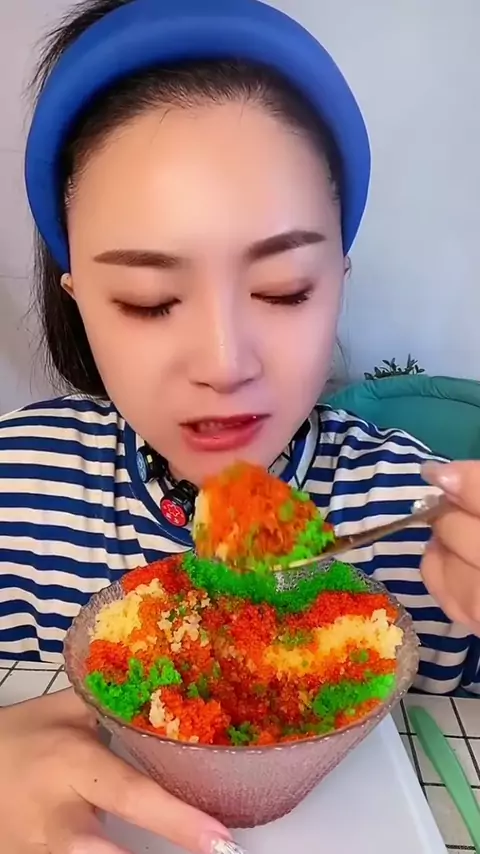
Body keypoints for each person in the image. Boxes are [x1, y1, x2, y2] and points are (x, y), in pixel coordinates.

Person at [0, 0, 479, 851]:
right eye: (149, 301)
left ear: (339, 280)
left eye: (284, 290)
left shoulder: (418, 520)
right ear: (80, 302)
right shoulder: (16, 486)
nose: (225, 362)